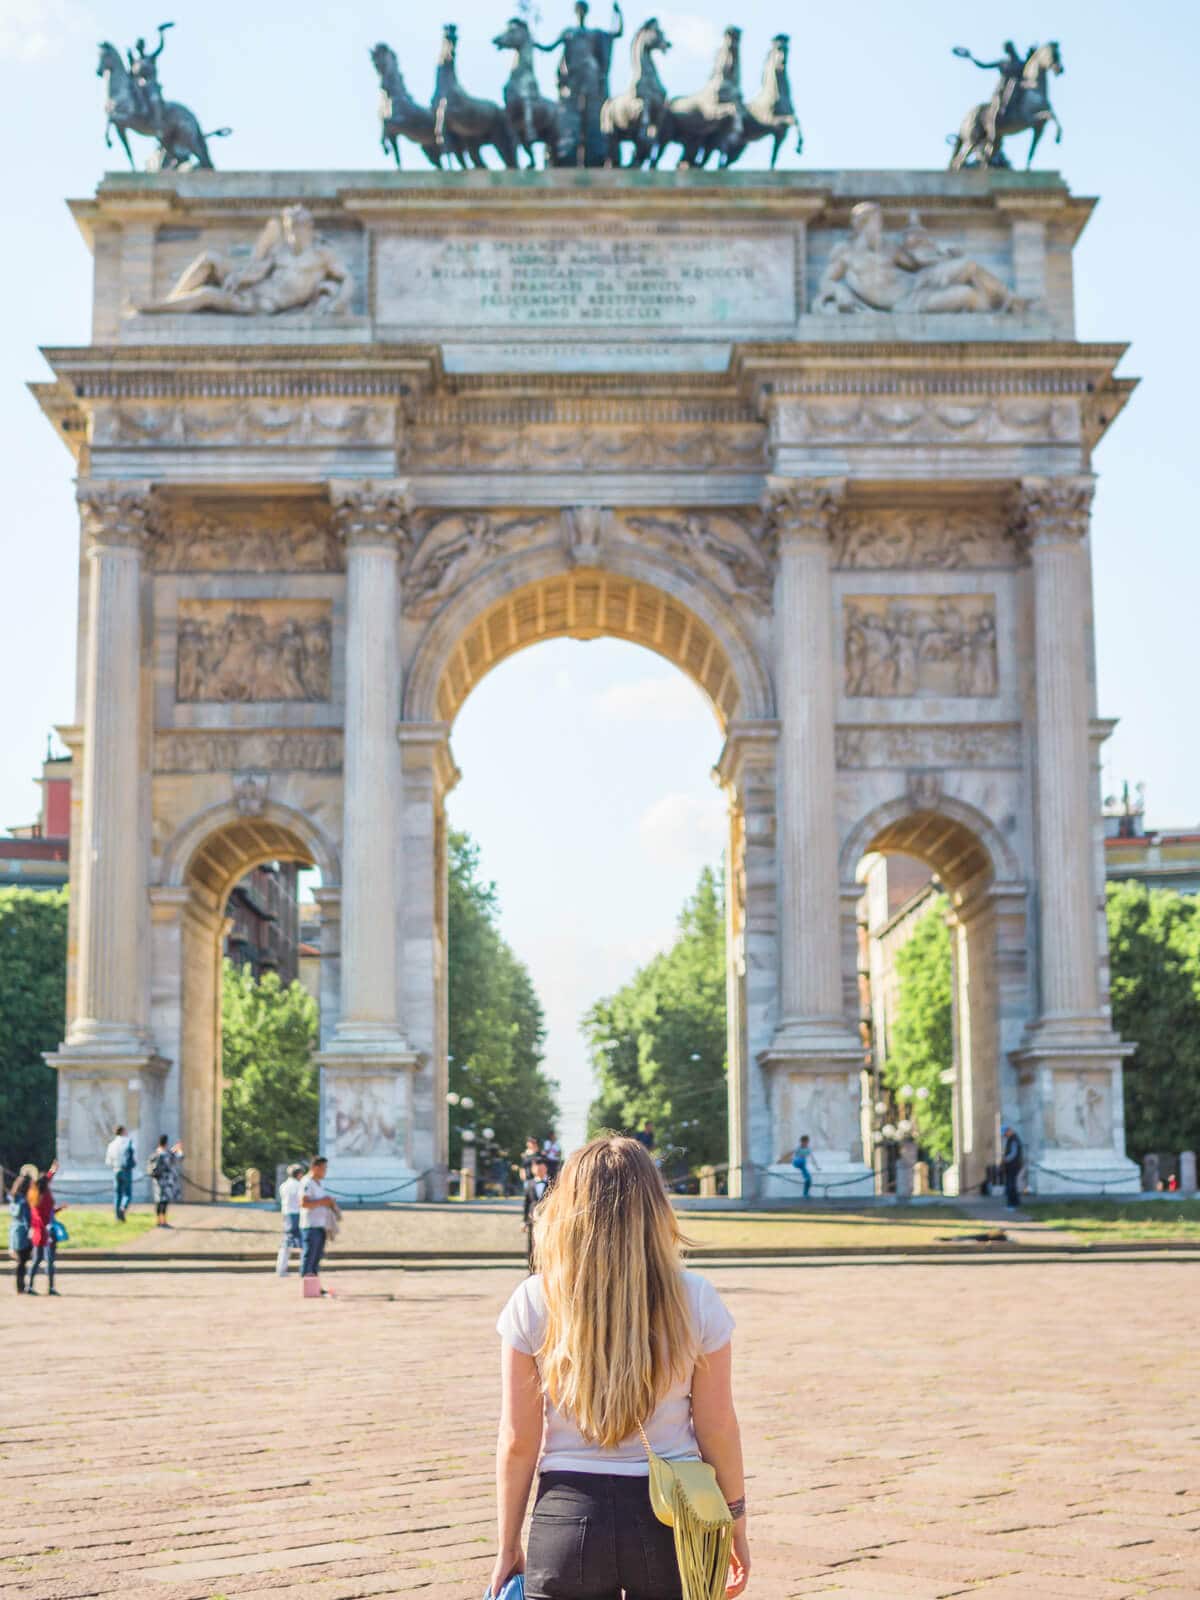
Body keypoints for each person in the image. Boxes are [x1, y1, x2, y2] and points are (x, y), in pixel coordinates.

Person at [490, 1135, 750, 1600]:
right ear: (656, 1207)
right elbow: (718, 1429)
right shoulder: (696, 1298)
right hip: (674, 1517)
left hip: (566, 1515)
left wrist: (507, 1544)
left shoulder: (533, 1299)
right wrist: (735, 1524)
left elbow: (518, 1440)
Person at [299, 1156, 340, 1281]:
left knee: (316, 1257)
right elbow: (304, 1203)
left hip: (320, 1225)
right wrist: (323, 1201)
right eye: (323, 1168)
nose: (325, 1171)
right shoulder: (307, 1182)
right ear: (315, 1168)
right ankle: (307, 1284)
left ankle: (314, 1284)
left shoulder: (319, 1183)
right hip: (311, 1225)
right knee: (310, 1256)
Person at [28, 1162, 66, 1297]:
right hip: (46, 1231)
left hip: (37, 1232)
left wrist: (52, 1170)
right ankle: (50, 1287)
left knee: (36, 1260)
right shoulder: (46, 1197)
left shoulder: (34, 1194)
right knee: (49, 1261)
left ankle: (29, 1285)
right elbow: (47, 1214)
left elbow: (46, 1179)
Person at [522, 1155, 553, 1271]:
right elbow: (526, 1203)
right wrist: (524, 1221)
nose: (538, 1169)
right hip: (532, 1220)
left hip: (548, 1219)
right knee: (532, 1246)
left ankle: (547, 1270)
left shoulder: (552, 1182)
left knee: (547, 1245)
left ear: (545, 1168)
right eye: (535, 1167)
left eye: (540, 1166)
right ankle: (532, 1271)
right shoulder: (529, 1184)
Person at [148, 1136, 184, 1227]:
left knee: (158, 1201)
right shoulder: (167, 1154)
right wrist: (179, 1149)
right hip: (166, 1181)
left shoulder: (155, 1154)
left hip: (156, 1180)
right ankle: (163, 1221)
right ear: (166, 1143)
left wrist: (172, 1150)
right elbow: (180, 1157)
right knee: (164, 1201)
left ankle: (158, 1221)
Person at [277, 1163, 306, 1275]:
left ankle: (281, 1269)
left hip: (286, 1214)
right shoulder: (299, 1185)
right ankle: (304, 1269)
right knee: (303, 1243)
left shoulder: (283, 1185)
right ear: (299, 1174)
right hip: (297, 1214)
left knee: (286, 1243)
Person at [105, 1124, 136, 1222]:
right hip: (126, 1170)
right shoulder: (128, 1142)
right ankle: (123, 1207)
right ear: (123, 1132)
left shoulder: (112, 1144)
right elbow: (133, 1157)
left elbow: (108, 1161)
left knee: (117, 1194)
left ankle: (117, 1216)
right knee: (127, 1194)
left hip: (116, 1170)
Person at [8, 1172, 33, 1294]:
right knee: (22, 1262)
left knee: (19, 1262)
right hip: (23, 1233)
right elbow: (27, 1219)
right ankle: (21, 1286)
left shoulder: (14, 1198)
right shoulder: (25, 1202)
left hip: (14, 1231)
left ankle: (19, 1286)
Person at [1001, 1125, 1024, 1210]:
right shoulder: (1011, 1139)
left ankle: (1012, 1204)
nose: (1005, 1136)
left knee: (1011, 1185)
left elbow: (1013, 1154)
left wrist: (1005, 1159)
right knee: (1011, 1185)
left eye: (1005, 1133)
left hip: (1013, 1166)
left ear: (1009, 1131)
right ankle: (1014, 1203)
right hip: (1011, 1166)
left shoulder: (1014, 1140)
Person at [792, 1134, 818, 1199]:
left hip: (802, 1165)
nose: (806, 1143)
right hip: (797, 1162)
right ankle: (805, 1193)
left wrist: (816, 1166)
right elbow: (791, 1154)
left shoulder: (808, 1149)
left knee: (808, 1179)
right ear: (802, 1142)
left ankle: (805, 1193)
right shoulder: (798, 1148)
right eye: (804, 1142)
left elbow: (812, 1158)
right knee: (802, 1160)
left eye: (807, 1142)